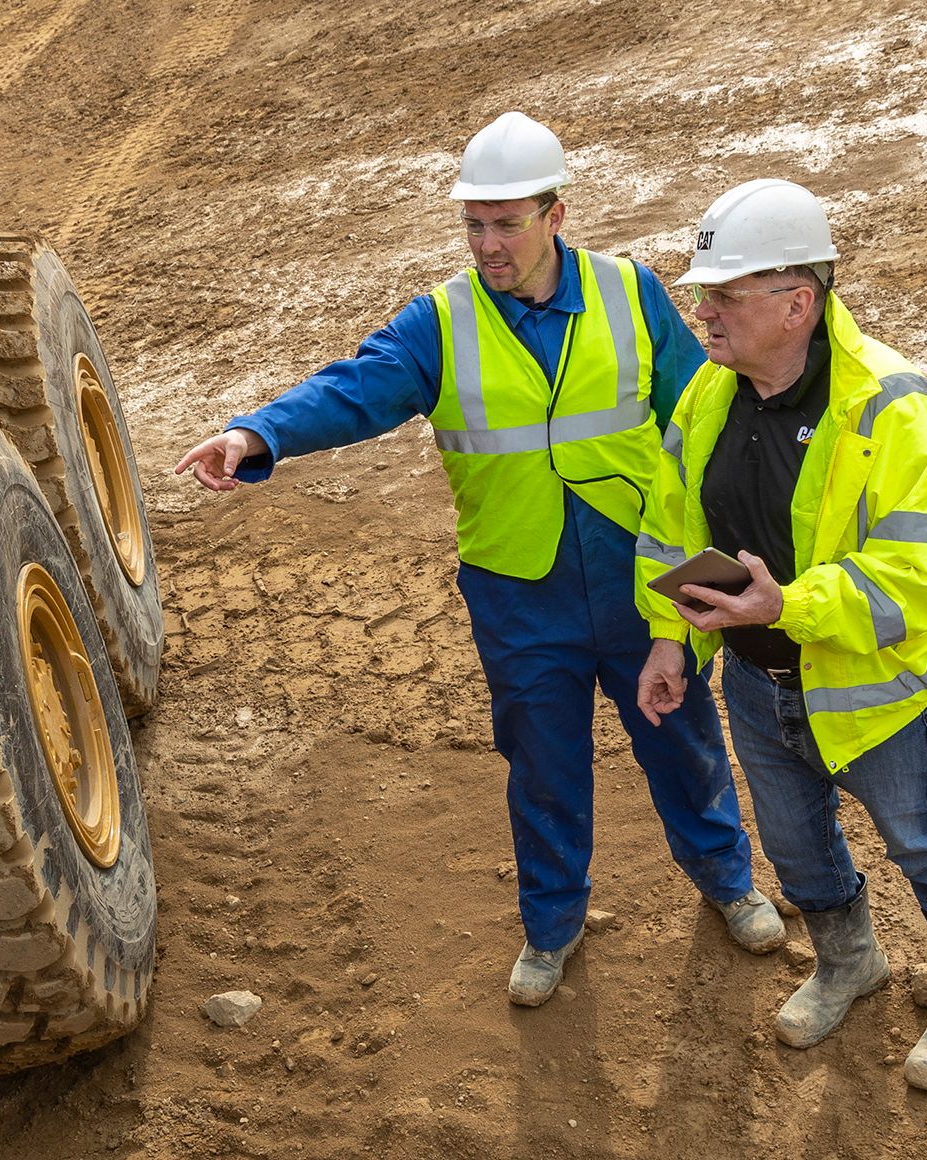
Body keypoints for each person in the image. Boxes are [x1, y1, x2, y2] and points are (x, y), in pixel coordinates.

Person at [173, 112, 782, 1007]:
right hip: (515, 586)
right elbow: (356, 387)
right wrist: (255, 432)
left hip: (655, 565)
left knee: (685, 735)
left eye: (507, 223)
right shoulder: (441, 321)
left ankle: (730, 881)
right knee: (542, 761)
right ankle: (551, 926)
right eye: (474, 225)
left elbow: (706, 415)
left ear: (555, 214)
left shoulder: (633, 293)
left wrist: (730, 557)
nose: (489, 244)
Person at [634, 178, 927, 1090]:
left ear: (797, 303)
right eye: (702, 294)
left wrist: (786, 609)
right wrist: (670, 638)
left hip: (870, 689)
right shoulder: (709, 399)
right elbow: (673, 530)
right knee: (795, 842)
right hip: (757, 684)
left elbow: (917, 578)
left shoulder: (895, 409)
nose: (703, 313)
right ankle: (849, 961)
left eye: (723, 295)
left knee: (924, 840)